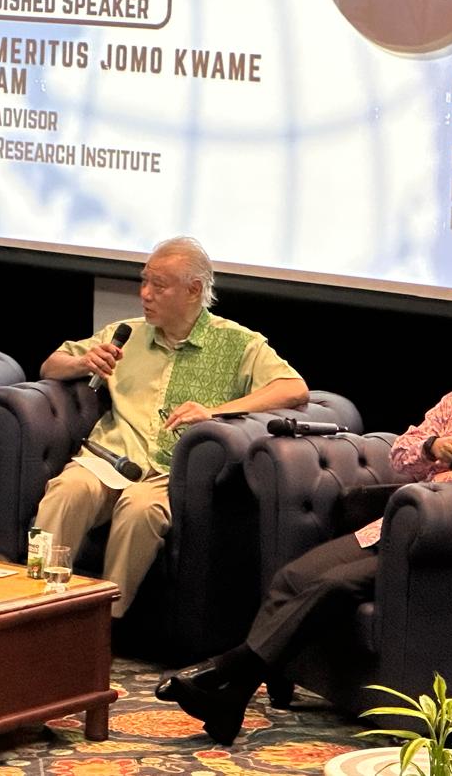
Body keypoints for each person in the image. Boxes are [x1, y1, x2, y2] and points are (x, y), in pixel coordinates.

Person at [155, 317, 452, 745]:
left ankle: (229, 672)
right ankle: (233, 697)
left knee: (333, 586)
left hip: (441, 550)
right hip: (392, 526)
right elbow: (401, 454)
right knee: (294, 576)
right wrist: (433, 446)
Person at [33, 236, 309, 618]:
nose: (144, 294)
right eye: (144, 281)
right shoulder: (126, 333)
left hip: (169, 472)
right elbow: (51, 365)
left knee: (140, 511)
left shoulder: (238, 343)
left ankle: (104, 622)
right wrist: (83, 362)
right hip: (110, 458)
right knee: (66, 491)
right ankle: (31, 606)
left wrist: (216, 412)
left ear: (194, 290)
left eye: (158, 286)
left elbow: (293, 388)